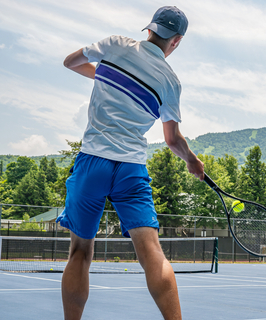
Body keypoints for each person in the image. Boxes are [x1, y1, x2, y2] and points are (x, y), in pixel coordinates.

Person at [56, 6, 203, 320]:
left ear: (149, 29)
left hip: (92, 162)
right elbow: (173, 140)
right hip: (131, 169)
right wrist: (192, 161)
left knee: (80, 252)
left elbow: (70, 62)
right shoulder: (171, 82)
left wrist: (105, 76)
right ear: (176, 41)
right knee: (152, 255)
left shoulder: (116, 44)